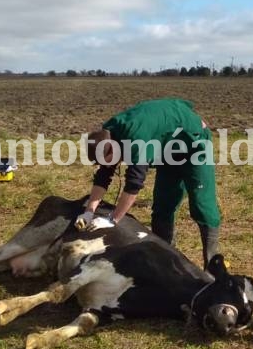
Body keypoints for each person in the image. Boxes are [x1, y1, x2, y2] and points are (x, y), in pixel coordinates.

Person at [77, 98, 222, 268]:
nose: (110, 166)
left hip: (194, 143)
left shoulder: (138, 141)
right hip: (168, 147)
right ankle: (165, 261)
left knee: (201, 204)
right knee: (162, 204)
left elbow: (133, 185)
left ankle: (213, 267)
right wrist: (89, 211)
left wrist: (113, 219)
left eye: (109, 161)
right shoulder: (109, 134)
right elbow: (103, 175)